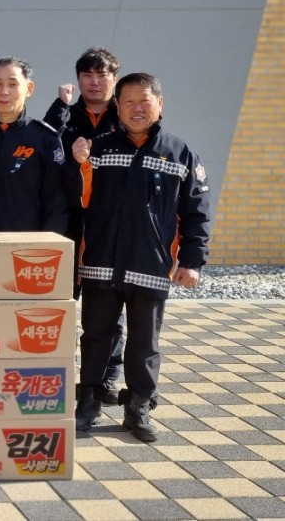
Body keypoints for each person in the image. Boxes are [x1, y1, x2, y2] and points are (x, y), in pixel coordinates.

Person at [71, 73, 210, 442]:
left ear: (159, 104)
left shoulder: (180, 153)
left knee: (144, 342)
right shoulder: (98, 149)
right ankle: (89, 401)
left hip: (150, 265)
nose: (136, 108)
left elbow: (196, 212)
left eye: (144, 100)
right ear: (117, 107)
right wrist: (78, 163)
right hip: (101, 263)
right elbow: (77, 200)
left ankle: (139, 405)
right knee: (96, 336)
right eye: (128, 101)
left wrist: (192, 261)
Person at [44, 47, 127, 403]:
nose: (94, 82)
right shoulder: (66, 115)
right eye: (87, 75)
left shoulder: (126, 117)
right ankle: (53, 374)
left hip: (108, 224)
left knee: (108, 307)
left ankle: (106, 379)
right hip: (67, 222)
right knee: (58, 304)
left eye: (102, 75)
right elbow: (46, 150)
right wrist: (59, 108)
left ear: (114, 78)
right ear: (78, 79)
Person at [0, 57, 68, 232]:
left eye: (12, 84)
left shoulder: (44, 138)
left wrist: (49, 242)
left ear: (29, 89)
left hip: (26, 242)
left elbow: (56, 202)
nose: (4, 91)